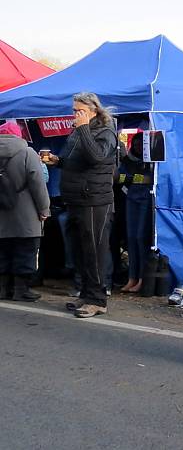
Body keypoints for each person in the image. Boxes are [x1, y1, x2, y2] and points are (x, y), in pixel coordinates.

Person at [44, 93, 117, 318]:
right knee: (80, 251)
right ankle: (86, 294)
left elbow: (96, 157)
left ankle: (98, 299)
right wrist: (58, 161)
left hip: (95, 201)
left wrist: (84, 128)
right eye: (74, 110)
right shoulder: (77, 133)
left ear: (94, 111)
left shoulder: (105, 133)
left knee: (94, 251)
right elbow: (75, 161)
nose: (75, 114)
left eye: (80, 111)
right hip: (75, 200)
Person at [0, 122, 50, 302]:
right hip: (26, 212)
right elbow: (38, 184)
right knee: (26, 250)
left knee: (3, 250)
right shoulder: (27, 152)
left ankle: (3, 289)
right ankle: (21, 290)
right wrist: (44, 209)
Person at [118, 132, 154, 293]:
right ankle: (132, 277)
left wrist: (130, 178)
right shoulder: (127, 160)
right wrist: (135, 178)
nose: (139, 148)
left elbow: (150, 179)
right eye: (137, 144)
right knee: (131, 238)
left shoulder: (151, 160)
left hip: (146, 200)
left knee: (141, 238)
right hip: (131, 199)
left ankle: (141, 278)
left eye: (142, 145)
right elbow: (118, 178)